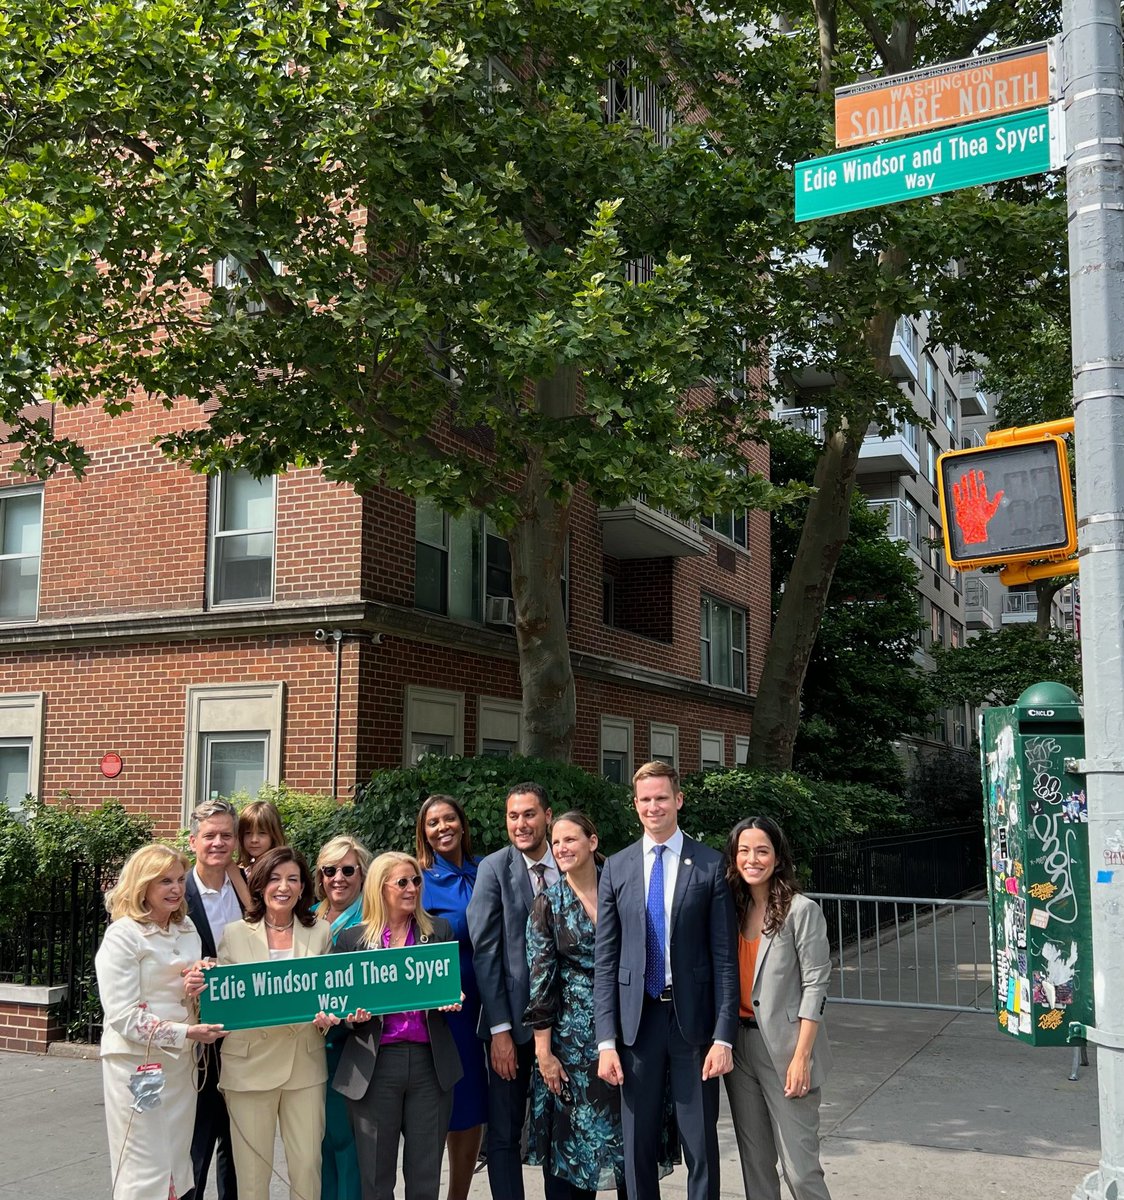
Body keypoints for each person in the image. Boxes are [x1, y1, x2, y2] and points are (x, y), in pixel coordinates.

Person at [595, 760, 738, 1200]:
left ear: (678, 800)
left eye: (661, 797)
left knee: (700, 1142)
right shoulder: (616, 868)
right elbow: (606, 960)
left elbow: (724, 959)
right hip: (637, 1024)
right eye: (645, 799)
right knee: (636, 1144)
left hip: (692, 1024)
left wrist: (724, 1037)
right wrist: (606, 1042)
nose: (653, 806)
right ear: (635, 805)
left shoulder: (710, 865)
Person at [526, 811, 680, 1199]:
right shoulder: (549, 902)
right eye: (556, 842)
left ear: (592, 842)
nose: (560, 848)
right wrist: (543, 1053)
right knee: (573, 1157)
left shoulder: (628, 884)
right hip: (573, 1046)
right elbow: (541, 982)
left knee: (633, 1144)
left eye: (570, 840)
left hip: (632, 1030)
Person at [321, 852, 463, 1200]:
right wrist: (349, 1017)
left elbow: (449, 987)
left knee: (425, 1177)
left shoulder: (439, 931)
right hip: (375, 1067)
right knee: (374, 1177)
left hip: (430, 1065)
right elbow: (336, 1006)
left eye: (416, 881)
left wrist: (452, 997)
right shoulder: (351, 941)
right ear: (380, 889)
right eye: (402, 882)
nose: (412, 888)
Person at [94, 843, 226, 1200]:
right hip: (137, 1066)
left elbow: (186, 997)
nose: (175, 888)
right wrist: (187, 1032)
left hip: (180, 1064)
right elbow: (122, 1016)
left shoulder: (187, 930)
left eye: (180, 879)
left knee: (175, 1161)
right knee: (143, 1163)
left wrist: (198, 988)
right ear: (142, 887)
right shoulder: (123, 935)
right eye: (164, 881)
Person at [467, 781, 569, 1200]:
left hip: (566, 1025)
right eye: (513, 816)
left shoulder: (571, 860)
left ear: (547, 815)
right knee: (505, 1133)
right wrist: (500, 1031)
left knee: (562, 1129)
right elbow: (485, 953)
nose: (521, 824)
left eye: (529, 814)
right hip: (511, 1025)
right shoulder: (493, 869)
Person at [723, 816, 834, 1200]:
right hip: (739, 1050)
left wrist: (802, 1057)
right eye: (744, 851)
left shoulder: (801, 910)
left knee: (801, 1172)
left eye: (762, 851)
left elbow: (816, 986)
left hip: (787, 1052)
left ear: (778, 856)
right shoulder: (730, 910)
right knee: (756, 1170)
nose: (752, 859)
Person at [217, 846, 332, 1200]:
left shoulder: (321, 932)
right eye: (275, 878)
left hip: (305, 1066)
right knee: (252, 1177)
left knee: (308, 1169)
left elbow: (330, 994)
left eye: (293, 879)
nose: (283, 887)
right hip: (249, 1068)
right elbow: (222, 1003)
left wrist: (329, 1017)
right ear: (260, 884)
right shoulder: (234, 933)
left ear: (302, 888)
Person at [415, 794, 487, 1200]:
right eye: (432, 823)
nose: (442, 828)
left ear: (462, 824)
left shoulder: (485, 871)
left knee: (474, 1106)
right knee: (446, 1105)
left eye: (449, 819)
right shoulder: (419, 879)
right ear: (423, 832)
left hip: (487, 1002)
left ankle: (457, 1195)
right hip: (445, 1009)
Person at [185, 797, 244, 1200]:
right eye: (210, 836)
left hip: (244, 1032)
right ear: (193, 842)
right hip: (197, 1039)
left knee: (237, 1143)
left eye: (226, 835)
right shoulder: (175, 892)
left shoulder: (247, 890)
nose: (218, 843)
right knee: (196, 1142)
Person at [315, 835, 374, 1200]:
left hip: (350, 1048)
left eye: (348, 870)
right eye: (330, 870)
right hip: (308, 1048)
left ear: (362, 874)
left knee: (346, 1143)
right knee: (317, 1140)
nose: (339, 878)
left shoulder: (371, 922)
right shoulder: (306, 915)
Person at [227, 800, 287, 910]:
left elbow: (255, 909)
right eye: (248, 833)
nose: (254, 840)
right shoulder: (247, 868)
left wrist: (233, 872)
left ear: (274, 835)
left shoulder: (280, 869)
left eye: (262, 833)